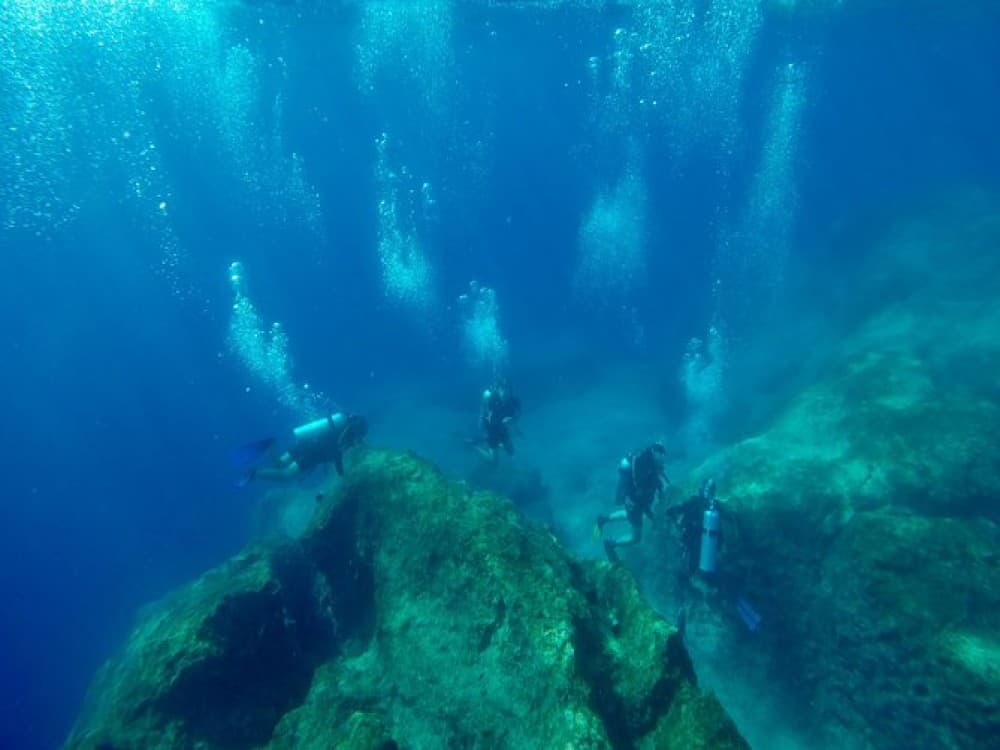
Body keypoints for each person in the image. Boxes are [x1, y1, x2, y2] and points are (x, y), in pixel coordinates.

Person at [239, 412, 368, 483]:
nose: (358, 439)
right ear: (358, 430)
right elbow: (336, 452)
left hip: (306, 442)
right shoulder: (345, 436)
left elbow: (330, 446)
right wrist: (342, 475)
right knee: (285, 474)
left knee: (279, 462)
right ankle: (255, 474)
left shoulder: (340, 428)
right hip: (311, 453)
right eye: (360, 435)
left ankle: (271, 444)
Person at [595, 442, 669, 562]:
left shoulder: (650, 465)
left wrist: (660, 490)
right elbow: (643, 496)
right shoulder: (644, 470)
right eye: (661, 457)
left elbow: (656, 481)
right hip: (634, 502)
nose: (663, 461)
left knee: (629, 515)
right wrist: (651, 516)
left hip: (634, 502)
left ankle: (603, 519)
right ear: (655, 454)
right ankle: (611, 544)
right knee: (636, 538)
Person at [472, 378, 521, 463]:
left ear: (510, 390)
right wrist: (484, 428)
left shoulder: (513, 401)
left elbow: (518, 414)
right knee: (494, 462)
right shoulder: (491, 401)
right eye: (502, 389)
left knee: (511, 452)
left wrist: (512, 420)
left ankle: (499, 444)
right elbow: (484, 418)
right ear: (497, 390)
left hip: (503, 430)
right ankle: (475, 446)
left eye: (507, 389)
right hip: (491, 431)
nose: (504, 392)